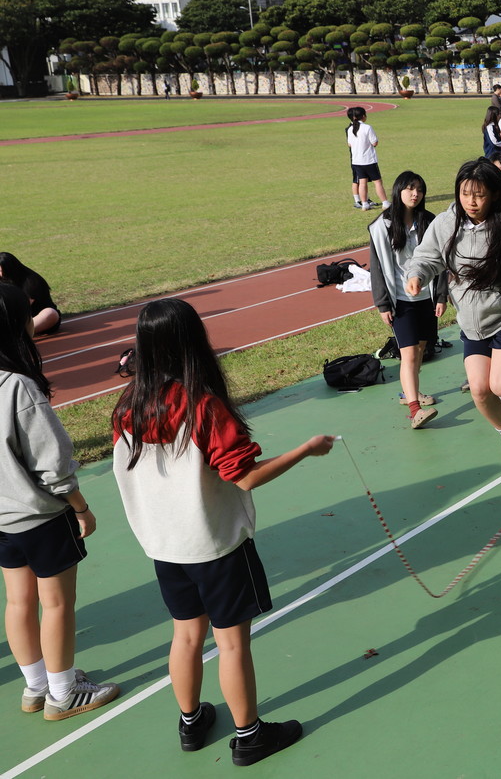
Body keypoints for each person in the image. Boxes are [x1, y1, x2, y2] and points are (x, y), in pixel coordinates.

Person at [111, 298, 333, 764]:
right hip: (215, 546)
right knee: (231, 643)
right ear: (193, 344)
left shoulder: (127, 405)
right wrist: (306, 450)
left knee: (186, 636)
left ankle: (191, 722)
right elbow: (245, 476)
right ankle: (249, 735)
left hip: (165, 546)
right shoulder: (202, 406)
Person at [0, 284, 120, 722]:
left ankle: (36, 685)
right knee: (55, 603)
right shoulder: (16, 387)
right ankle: (64, 691)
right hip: (41, 515)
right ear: (15, 327)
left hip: (2, 519)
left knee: (18, 602)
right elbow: (52, 464)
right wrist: (81, 507)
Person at [404, 159, 501, 469]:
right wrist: (418, 275)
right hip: (471, 323)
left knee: (500, 387)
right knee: (480, 391)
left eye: (479, 195)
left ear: (494, 194)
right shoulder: (446, 224)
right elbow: (426, 257)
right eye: (465, 193)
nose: (471, 201)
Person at [368, 171, 446, 429]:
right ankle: (414, 410)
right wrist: (382, 304)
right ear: (398, 191)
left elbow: (442, 262)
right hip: (400, 301)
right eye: (410, 189)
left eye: (420, 190)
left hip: (426, 297)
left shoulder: (430, 222)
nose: (415, 194)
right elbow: (377, 267)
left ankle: (410, 393)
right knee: (409, 354)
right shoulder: (382, 227)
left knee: (421, 351)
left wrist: (441, 295)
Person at [0, 253, 61, 335]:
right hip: (15, 322)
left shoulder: (32, 281)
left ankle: (17, 335)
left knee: (50, 313)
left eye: (0, 271)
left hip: (34, 320)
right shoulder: (2, 282)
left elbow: (22, 308)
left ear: (10, 269)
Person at [346, 106, 388, 211]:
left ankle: (364, 204)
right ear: (363, 116)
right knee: (377, 182)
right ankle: (385, 202)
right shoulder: (367, 127)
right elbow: (375, 142)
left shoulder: (350, 129)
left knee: (362, 182)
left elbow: (349, 144)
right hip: (369, 160)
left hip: (356, 160)